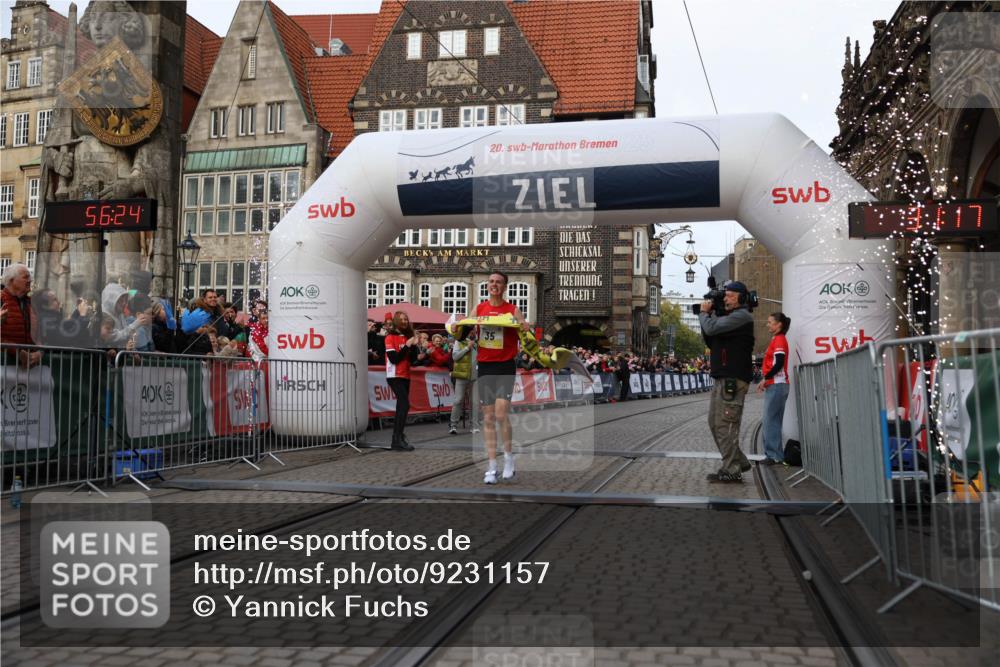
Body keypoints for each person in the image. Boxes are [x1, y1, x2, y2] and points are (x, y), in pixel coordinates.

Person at [475, 271, 529, 484]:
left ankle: (508, 458)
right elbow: (464, 330)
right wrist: (456, 328)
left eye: (498, 282)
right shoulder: (479, 309)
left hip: (505, 365)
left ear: (504, 286)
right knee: (488, 417)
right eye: (491, 281)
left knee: (500, 414)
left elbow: (525, 332)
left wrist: (524, 326)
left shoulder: (512, 309)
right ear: (487, 285)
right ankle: (491, 465)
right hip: (485, 366)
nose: (494, 284)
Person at [700, 281, 756, 483]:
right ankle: (738, 461)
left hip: (732, 377)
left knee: (726, 425)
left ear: (741, 297)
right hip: (722, 376)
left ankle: (732, 469)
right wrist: (709, 316)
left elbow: (712, 328)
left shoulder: (742, 316)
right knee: (715, 423)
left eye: (730, 295)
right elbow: (710, 339)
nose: (725, 298)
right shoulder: (730, 318)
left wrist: (705, 314)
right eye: (725, 295)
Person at [757, 312, 791, 465]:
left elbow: (778, 364)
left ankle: (772, 455)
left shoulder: (779, 340)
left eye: (770, 322)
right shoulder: (778, 339)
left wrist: (766, 379)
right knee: (774, 420)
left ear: (779, 325)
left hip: (777, 384)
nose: (768, 324)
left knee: (770, 420)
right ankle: (776, 455)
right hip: (778, 384)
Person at [384, 310, 420, 451]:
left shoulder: (407, 337)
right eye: (402, 319)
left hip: (406, 375)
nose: (405, 321)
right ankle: (397, 438)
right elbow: (394, 359)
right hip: (394, 375)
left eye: (406, 319)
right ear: (396, 321)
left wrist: (415, 347)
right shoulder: (389, 337)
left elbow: (412, 360)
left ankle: (398, 438)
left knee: (402, 406)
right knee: (404, 405)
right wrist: (407, 346)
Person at [1, 263, 41, 368]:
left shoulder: (32, 303)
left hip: (31, 371)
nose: (30, 280)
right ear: (11, 280)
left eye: (30, 277)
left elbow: (41, 335)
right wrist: (18, 352)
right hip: (4, 367)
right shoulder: (1, 300)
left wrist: (40, 353)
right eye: (26, 277)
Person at [449, 325, 477, 435]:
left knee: (474, 401)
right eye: (472, 331)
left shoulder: (477, 343)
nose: (473, 333)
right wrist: (466, 348)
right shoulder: (459, 342)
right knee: (458, 400)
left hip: (475, 376)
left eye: (474, 331)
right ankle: (453, 425)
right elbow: (455, 357)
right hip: (462, 375)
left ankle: (474, 425)